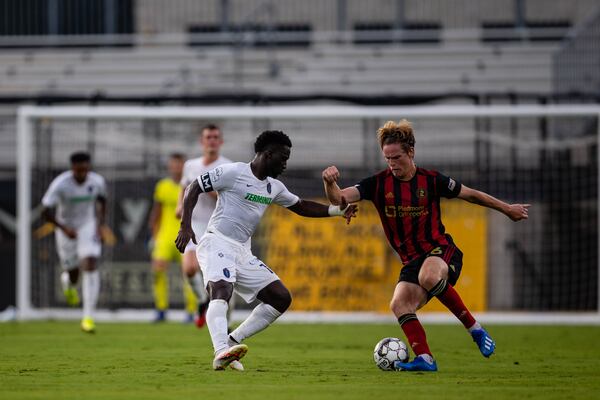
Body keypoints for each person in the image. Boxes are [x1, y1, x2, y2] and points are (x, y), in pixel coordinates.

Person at [322, 120, 530, 372]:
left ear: (410, 152)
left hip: (440, 250)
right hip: (411, 260)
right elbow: (339, 199)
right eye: (387, 158)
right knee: (399, 305)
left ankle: (475, 329)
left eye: (396, 157)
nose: (392, 164)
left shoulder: (432, 180)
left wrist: (507, 209)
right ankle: (425, 359)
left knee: (429, 275)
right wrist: (329, 182)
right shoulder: (377, 184)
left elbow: (472, 194)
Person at [175, 130, 357, 371]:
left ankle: (232, 341)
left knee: (281, 298)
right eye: (283, 158)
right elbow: (194, 187)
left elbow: (301, 206)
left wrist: (337, 211)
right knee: (221, 289)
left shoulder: (274, 187)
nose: (285, 164)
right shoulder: (233, 172)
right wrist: (185, 226)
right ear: (268, 154)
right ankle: (220, 350)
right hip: (216, 241)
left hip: (242, 250)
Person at [41, 151, 108, 333]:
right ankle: (67, 282)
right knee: (74, 274)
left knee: (90, 264)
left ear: (88, 168)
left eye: (85, 170)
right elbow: (45, 211)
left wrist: (100, 225)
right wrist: (63, 228)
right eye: (79, 170)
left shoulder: (97, 181)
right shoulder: (60, 185)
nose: (82, 174)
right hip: (66, 228)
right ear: (72, 169)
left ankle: (88, 317)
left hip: (88, 226)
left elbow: (102, 201)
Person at [175, 124, 231, 328]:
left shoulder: (227, 167)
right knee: (189, 269)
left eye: (216, 137)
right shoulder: (191, 165)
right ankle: (201, 301)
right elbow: (184, 187)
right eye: (208, 137)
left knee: (221, 276)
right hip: (193, 223)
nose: (212, 141)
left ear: (221, 141)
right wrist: (179, 205)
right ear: (202, 141)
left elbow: (229, 199)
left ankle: (226, 322)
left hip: (216, 226)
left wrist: (208, 188)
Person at [149, 153, 198, 323]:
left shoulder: (191, 185)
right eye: (173, 164)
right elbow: (156, 212)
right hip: (165, 235)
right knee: (158, 270)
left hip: (185, 234)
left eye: (179, 164)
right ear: (170, 166)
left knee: (189, 272)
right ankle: (161, 309)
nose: (176, 167)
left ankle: (191, 312)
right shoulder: (162, 186)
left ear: (184, 166)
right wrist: (154, 236)